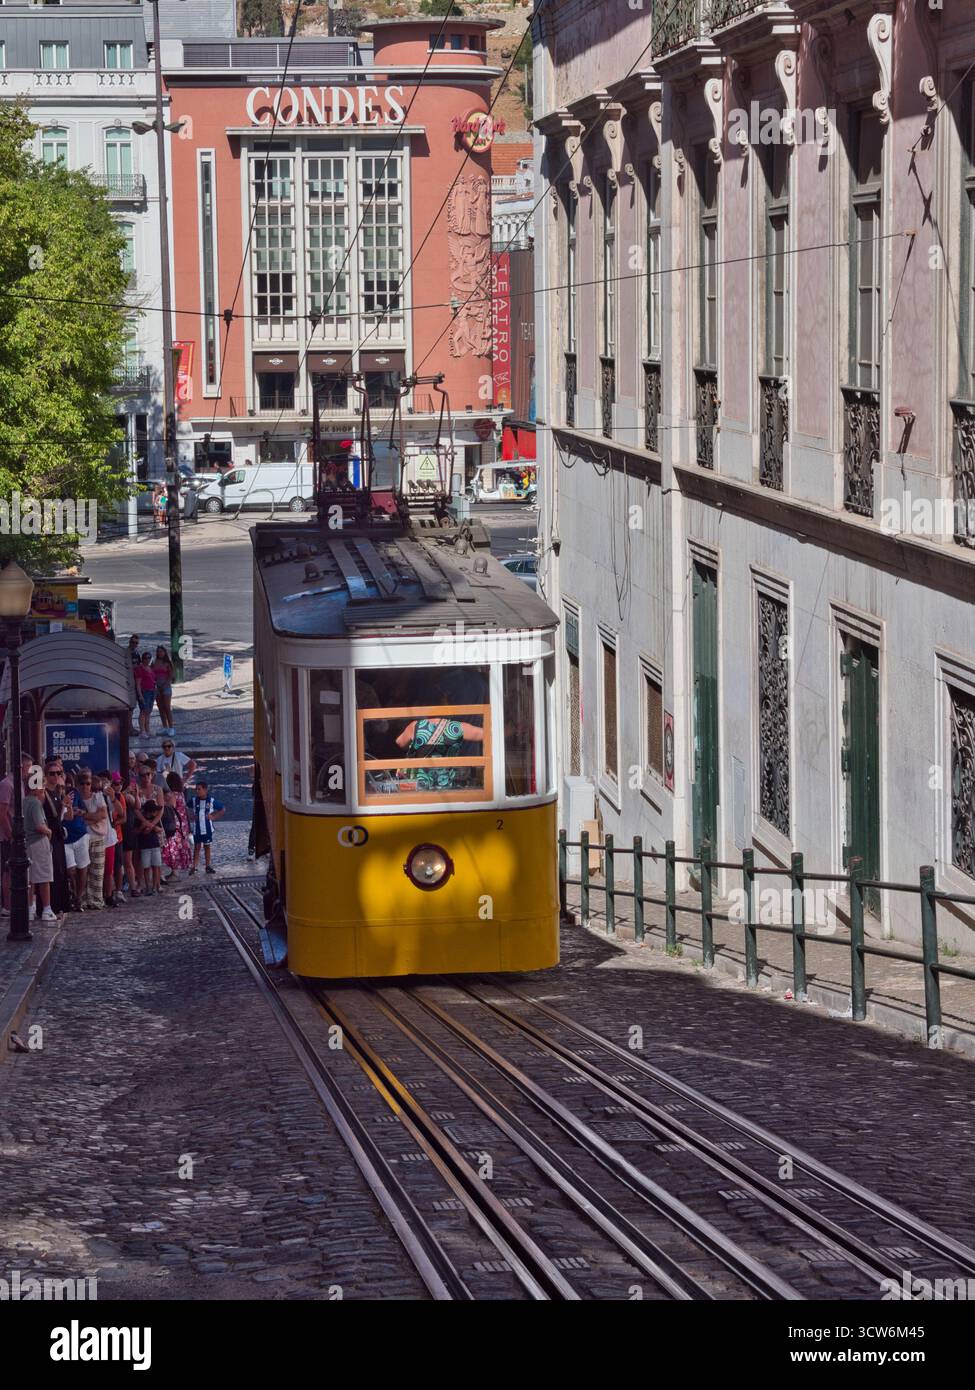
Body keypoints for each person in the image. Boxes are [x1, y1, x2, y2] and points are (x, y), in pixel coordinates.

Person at [0, 751, 36, 915]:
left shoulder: (20, 784)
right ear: (21, 766)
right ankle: (7, 906)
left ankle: (16, 904)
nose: (30, 770)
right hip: (9, 836)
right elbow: (2, 812)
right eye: (28, 766)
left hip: (19, 834)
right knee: (8, 870)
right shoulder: (7, 784)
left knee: (18, 870)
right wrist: (10, 835)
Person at [24, 784, 57, 923]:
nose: (44, 792)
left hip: (28, 843)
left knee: (30, 878)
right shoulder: (36, 803)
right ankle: (47, 909)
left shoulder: (24, 801)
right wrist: (49, 831)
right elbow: (39, 826)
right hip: (38, 841)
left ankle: (30, 908)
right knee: (44, 877)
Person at [42, 762, 69, 919]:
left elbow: (64, 817)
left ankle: (60, 906)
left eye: (58, 773)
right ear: (46, 775)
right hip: (49, 835)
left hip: (58, 835)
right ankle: (50, 906)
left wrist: (68, 807)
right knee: (51, 871)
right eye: (52, 773)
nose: (56, 776)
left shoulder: (59, 793)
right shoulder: (43, 793)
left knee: (60, 870)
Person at [78, 771, 108, 911]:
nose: (85, 786)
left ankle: (95, 900)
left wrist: (85, 815)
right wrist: (92, 817)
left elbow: (102, 815)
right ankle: (82, 899)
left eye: (88, 783)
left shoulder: (98, 797)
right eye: (82, 783)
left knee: (97, 871)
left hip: (97, 837)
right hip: (81, 838)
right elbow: (75, 818)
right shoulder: (76, 798)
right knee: (83, 871)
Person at [62, 773, 90, 912]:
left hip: (80, 834)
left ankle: (79, 897)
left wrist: (79, 811)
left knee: (82, 868)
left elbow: (85, 810)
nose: (66, 786)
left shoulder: (76, 793)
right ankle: (73, 892)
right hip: (66, 838)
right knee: (71, 870)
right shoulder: (55, 794)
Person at [188, 780, 224, 875]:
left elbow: (222, 809)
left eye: (199, 789)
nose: (197, 791)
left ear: (205, 790)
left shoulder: (211, 801)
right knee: (197, 847)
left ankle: (208, 866)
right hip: (197, 829)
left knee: (207, 847)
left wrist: (214, 817)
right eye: (196, 789)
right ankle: (194, 867)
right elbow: (185, 807)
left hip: (207, 829)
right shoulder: (194, 800)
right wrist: (190, 816)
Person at [161, 772, 192, 879]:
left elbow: (172, 806)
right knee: (179, 848)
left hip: (175, 825)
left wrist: (162, 802)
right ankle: (175, 871)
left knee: (172, 848)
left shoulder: (172, 794)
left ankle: (174, 872)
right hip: (182, 825)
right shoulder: (181, 794)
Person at [136, 796, 164, 894]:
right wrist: (142, 828)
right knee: (146, 867)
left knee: (156, 866)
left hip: (155, 845)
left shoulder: (155, 819)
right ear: (151, 811)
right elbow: (136, 831)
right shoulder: (140, 820)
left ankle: (155, 886)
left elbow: (160, 829)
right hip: (144, 847)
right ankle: (148, 886)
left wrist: (154, 827)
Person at [153, 646, 175, 736]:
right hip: (157, 688)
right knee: (160, 707)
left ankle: (171, 727)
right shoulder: (154, 662)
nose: (160, 653)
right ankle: (164, 727)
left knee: (167, 707)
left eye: (161, 651)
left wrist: (165, 684)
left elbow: (171, 676)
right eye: (158, 651)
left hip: (166, 687)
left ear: (165, 652)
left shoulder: (168, 663)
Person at [134, 652, 156, 738]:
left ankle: (147, 730)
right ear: (142, 659)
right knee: (143, 711)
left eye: (149, 658)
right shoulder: (140, 669)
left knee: (148, 712)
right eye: (146, 658)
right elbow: (138, 683)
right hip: (144, 692)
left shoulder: (150, 668)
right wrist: (140, 695)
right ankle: (142, 731)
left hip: (152, 691)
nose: (148, 659)